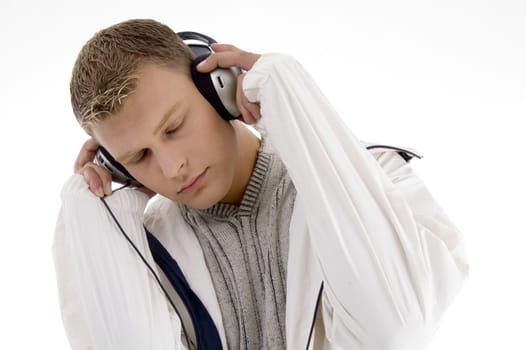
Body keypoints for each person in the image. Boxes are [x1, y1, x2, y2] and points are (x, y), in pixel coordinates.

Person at [53, 18, 469, 350]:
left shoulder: (375, 176)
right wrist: (90, 213)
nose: (172, 166)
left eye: (175, 126)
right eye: (138, 157)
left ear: (220, 87)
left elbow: (396, 329)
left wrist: (288, 92)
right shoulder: (145, 249)